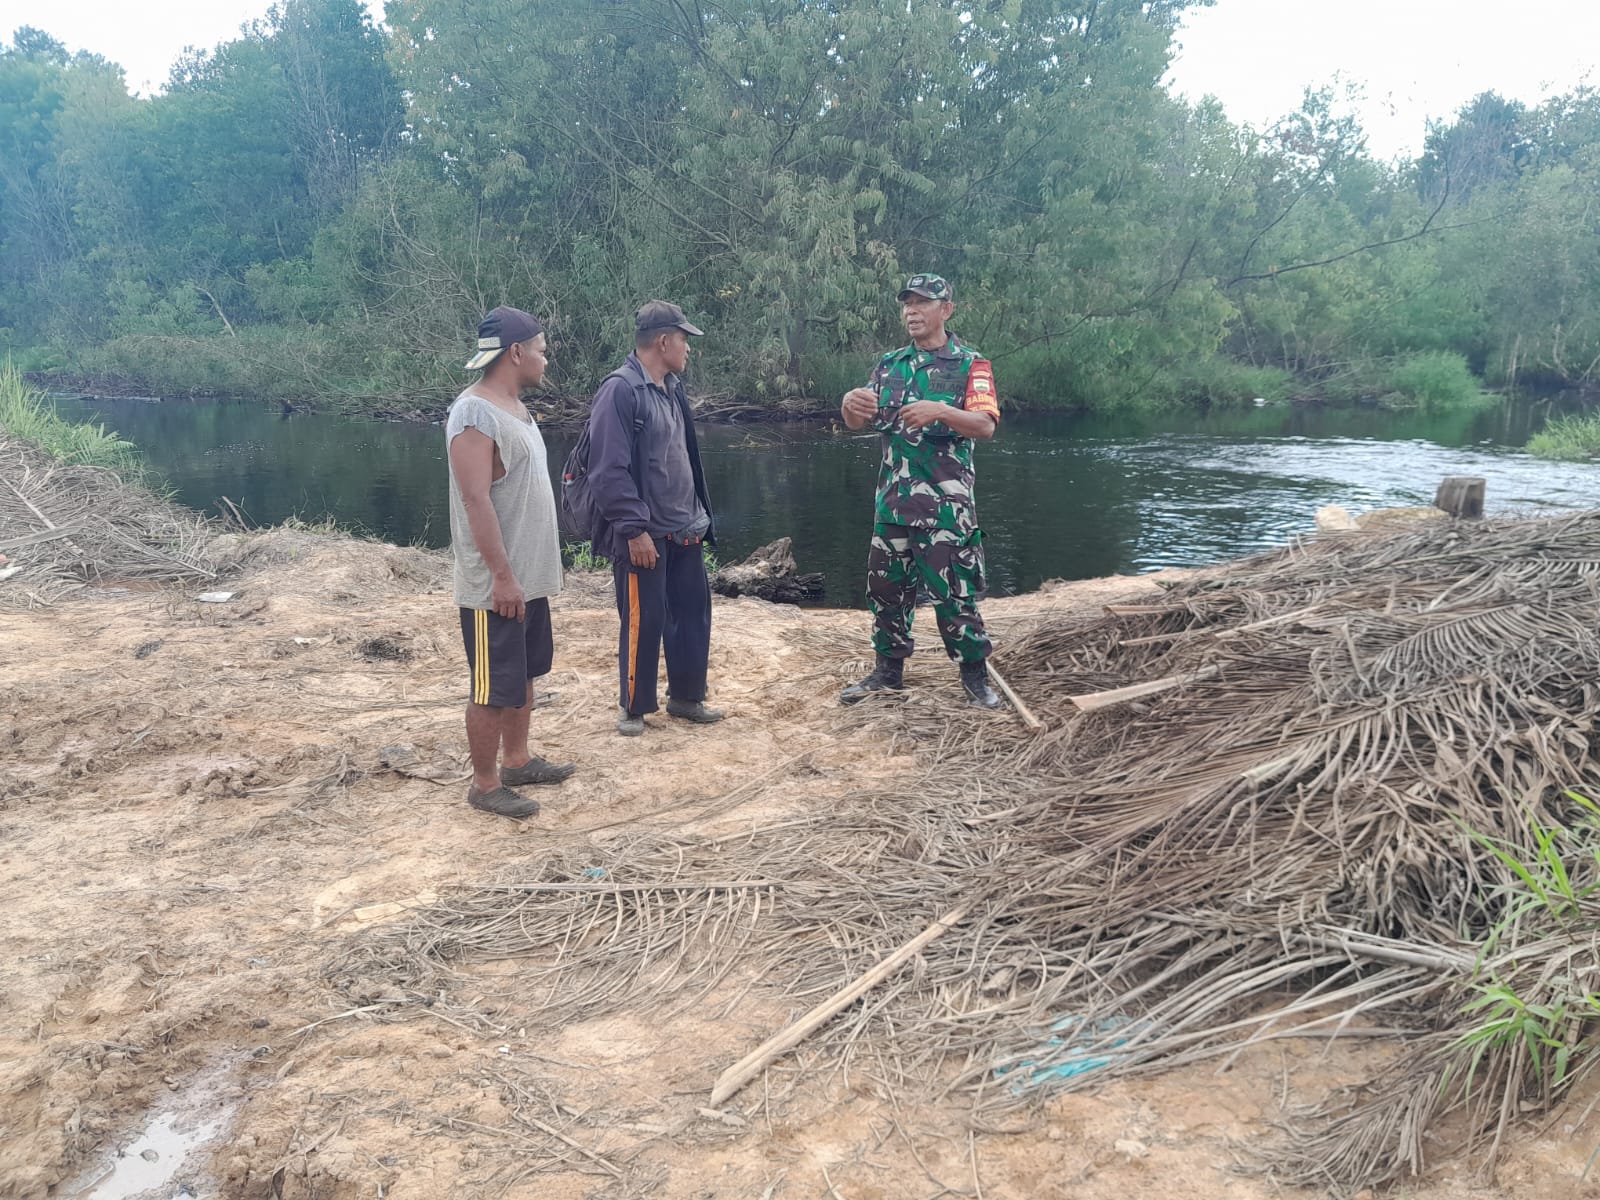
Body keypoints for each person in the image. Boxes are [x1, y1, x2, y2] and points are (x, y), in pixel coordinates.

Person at [838, 273, 1003, 709]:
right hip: (892, 503)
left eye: (922, 303)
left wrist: (942, 411)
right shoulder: (890, 365)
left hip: (946, 509)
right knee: (885, 591)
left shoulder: (971, 364)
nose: (912, 310)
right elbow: (861, 421)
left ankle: (974, 680)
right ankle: (887, 673)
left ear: (945, 310)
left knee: (955, 592)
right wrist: (849, 407)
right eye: (907, 303)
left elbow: (985, 426)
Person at [445, 305, 576, 819]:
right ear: (516, 352)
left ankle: (517, 760)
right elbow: (476, 500)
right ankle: (484, 784)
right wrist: (501, 576)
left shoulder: (515, 408)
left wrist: (523, 577)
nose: (546, 359)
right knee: (491, 684)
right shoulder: (473, 413)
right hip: (494, 586)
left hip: (528, 579)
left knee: (523, 674)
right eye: (542, 350)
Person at [585, 300, 722, 736]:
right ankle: (633, 706)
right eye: (684, 339)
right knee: (645, 619)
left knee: (692, 612)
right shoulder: (620, 391)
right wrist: (634, 530)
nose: (688, 348)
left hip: (686, 526)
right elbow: (607, 471)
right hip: (644, 535)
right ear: (663, 341)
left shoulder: (672, 387)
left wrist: (700, 515)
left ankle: (686, 698)